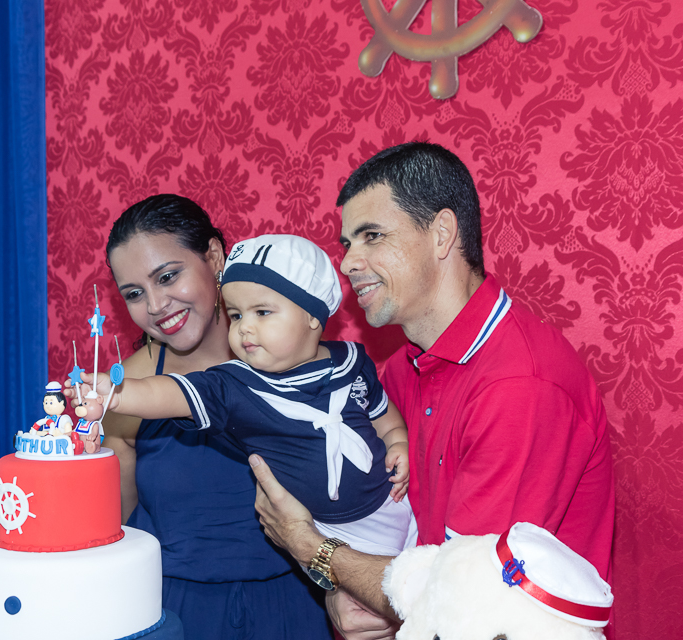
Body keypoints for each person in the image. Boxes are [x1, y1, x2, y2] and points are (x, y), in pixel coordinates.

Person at [249, 142, 615, 638]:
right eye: (346, 244)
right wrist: (339, 586)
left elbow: (462, 602)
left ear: (441, 233)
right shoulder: (399, 371)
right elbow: (386, 534)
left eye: (371, 236)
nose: (350, 262)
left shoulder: (519, 385)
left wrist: (311, 548)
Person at [94, 195, 334, 640]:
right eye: (134, 293)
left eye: (168, 276)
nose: (156, 305)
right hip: (173, 613)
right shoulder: (126, 391)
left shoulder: (295, 357)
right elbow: (118, 529)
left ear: (214, 257)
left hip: (295, 607)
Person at [96, 233, 417, 560]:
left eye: (262, 312)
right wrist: (117, 394)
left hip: (395, 507)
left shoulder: (352, 361)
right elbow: (170, 391)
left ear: (312, 315)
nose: (245, 328)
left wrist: (398, 443)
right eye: (236, 315)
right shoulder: (237, 384)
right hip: (332, 537)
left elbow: (383, 417)